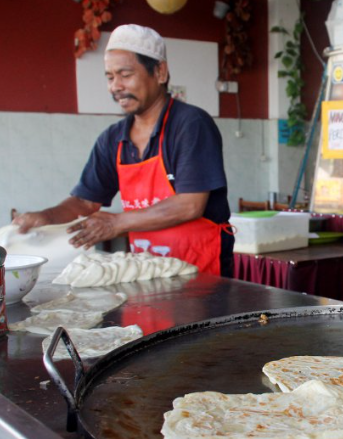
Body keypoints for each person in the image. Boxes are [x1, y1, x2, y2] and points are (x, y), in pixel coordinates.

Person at [13, 24, 234, 277]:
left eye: (125, 74)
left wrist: (117, 223)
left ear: (160, 72)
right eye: (109, 77)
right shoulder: (112, 139)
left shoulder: (191, 125)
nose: (115, 86)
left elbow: (189, 205)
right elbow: (86, 201)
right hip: (147, 273)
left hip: (201, 272)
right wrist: (47, 216)